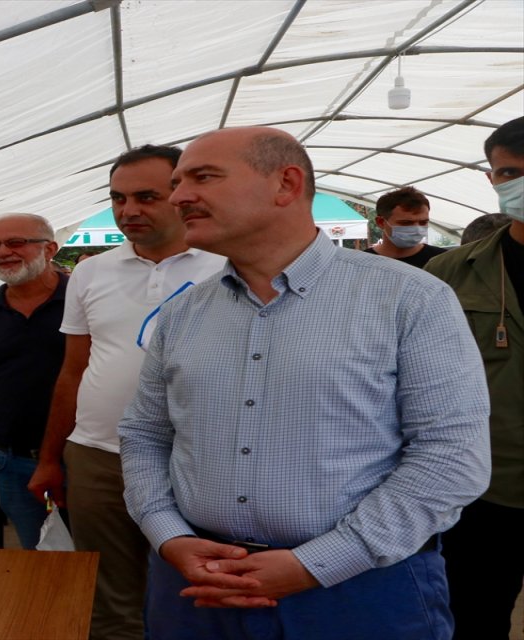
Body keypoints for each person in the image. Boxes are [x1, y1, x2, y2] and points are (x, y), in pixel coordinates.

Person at [118, 126, 490, 639]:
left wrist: (319, 563)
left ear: (286, 184)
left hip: (360, 588)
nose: (180, 196)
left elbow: (450, 456)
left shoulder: (410, 299)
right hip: (198, 585)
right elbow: (145, 434)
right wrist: (168, 534)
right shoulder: (183, 313)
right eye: (179, 182)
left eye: (202, 177)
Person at [27, 144, 225, 639]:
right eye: (118, 198)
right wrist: (52, 457)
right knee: (108, 593)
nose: (128, 211)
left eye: (146, 197)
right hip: (97, 455)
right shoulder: (92, 271)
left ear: (182, 194)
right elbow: (74, 371)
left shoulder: (226, 266)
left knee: (196, 588)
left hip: (196, 455)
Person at [425, 115, 524, 640]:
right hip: (484, 493)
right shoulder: (450, 275)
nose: (519, 185)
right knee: (473, 618)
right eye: (509, 174)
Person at [0, 213, 67, 550]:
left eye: (16, 242)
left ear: (50, 248)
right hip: (14, 455)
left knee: (95, 555)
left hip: (83, 456)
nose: (2, 251)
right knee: (35, 550)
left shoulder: (83, 297)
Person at [365, 186, 447, 267]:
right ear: (381, 222)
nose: (417, 229)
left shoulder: (443, 260)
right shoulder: (362, 262)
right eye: (406, 222)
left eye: (423, 222)